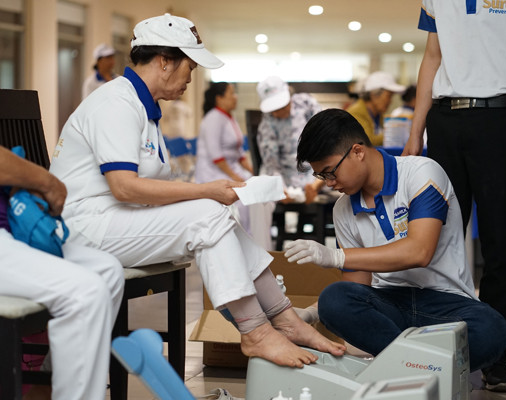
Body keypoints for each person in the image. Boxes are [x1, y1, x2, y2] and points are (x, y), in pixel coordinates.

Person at [48, 13, 344, 369]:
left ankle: (286, 319)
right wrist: (205, 191)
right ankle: (256, 332)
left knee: (217, 216)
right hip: (85, 229)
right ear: (164, 61)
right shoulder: (116, 103)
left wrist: (208, 192)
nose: (191, 78)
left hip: (114, 221)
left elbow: (140, 188)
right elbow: (124, 187)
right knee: (208, 215)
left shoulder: (144, 109)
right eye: (190, 67)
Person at [402, 0, 506, 391]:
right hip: (443, 123)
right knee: (436, 244)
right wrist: (415, 131)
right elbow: (432, 57)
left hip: (499, 120)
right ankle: (436, 350)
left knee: (498, 245)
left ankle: (496, 358)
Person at [283, 108, 506, 374]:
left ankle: (404, 364)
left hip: (446, 305)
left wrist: (336, 257)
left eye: (330, 172)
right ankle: (421, 368)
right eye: (322, 177)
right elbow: (357, 286)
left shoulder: (422, 174)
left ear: (358, 151)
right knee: (334, 299)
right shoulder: (343, 209)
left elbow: (419, 251)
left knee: (492, 329)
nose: (330, 183)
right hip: (390, 306)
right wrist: (311, 313)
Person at [0, 146, 124, 400]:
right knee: (86, 292)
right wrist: (47, 182)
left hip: (10, 227)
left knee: (108, 271)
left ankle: (47, 388)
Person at [195, 82, 253, 231]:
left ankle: (255, 237)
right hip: (213, 173)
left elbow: (240, 154)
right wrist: (237, 178)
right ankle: (242, 237)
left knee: (255, 191)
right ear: (219, 99)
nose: (235, 97)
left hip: (230, 170)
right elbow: (217, 157)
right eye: (231, 94)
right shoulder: (213, 118)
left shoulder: (229, 118)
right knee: (243, 199)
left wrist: (254, 172)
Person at [256, 76, 324, 204]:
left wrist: (317, 184)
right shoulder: (267, 124)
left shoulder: (306, 104)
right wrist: (281, 189)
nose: (279, 112)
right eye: (274, 109)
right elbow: (271, 164)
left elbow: (326, 143)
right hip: (284, 178)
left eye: (282, 106)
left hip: (316, 173)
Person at [346, 71, 405, 147]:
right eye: (388, 96)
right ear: (374, 94)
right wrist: (394, 133)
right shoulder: (356, 113)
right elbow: (367, 141)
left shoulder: (378, 114)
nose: (390, 101)